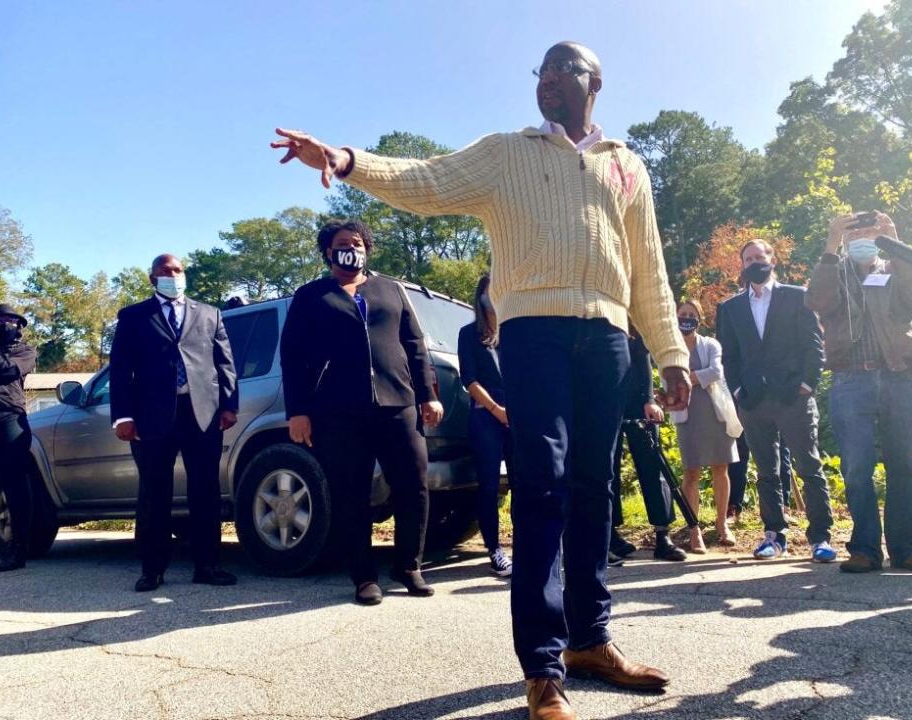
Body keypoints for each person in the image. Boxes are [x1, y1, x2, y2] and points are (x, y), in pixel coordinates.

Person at [271, 40, 690, 720]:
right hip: (535, 337)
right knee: (543, 487)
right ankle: (544, 669)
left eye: (563, 70)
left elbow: (650, 268)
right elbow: (426, 179)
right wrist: (346, 160)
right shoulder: (507, 153)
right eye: (541, 72)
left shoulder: (626, 166)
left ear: (596, 82)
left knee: (594, 490)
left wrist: (670, 353)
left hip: (608, 340)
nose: (548, 81)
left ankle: (591, 640)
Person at [280, 220, 445, 606]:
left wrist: (427, 395)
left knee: (413, 484)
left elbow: (415, 345)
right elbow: (293, 357)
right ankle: (363, 576)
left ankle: (408, 566)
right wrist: (298, 411)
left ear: (367, 249)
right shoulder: (310, 296)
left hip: (398, 403)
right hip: (338, 410)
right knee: (350, 493)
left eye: (356, 243)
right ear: (327, 252)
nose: (350, 248)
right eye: (341, 244)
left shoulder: (390, 289)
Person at [806, 212, 912, 573]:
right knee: (856, 467)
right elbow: (816, 300)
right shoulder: (834, 270)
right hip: (851, 380)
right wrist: (831, 246)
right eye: (855, 231)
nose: (864, 236)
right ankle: (864, 548)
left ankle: (906, 547)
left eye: (871, 230)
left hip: (899, 377)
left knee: (904, 465)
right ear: (846, 238)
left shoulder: (895, 266)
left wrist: (894, 239)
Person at [109, 254, 239, 592]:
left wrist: (229, 404)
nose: (173, 275)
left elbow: (225, 363)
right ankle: (152, 569)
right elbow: (121, 369)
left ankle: (207, 565)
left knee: (205, 490)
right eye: (165, 271)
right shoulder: (134, 316)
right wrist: (123, 416)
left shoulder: (210, 313)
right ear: (152, 278)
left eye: (178, 270)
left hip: (203, 414)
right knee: (154, 492)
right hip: (152, 416)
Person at [716, 240, 837, 563]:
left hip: (793, 398)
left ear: (773, 259)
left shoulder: (798, 296)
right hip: (754, 401)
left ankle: (820, 538)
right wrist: (739, 392)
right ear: (742, 265)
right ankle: (774, 535)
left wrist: (808, 385)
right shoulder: (730, 308)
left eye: (761, 256)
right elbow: (729, 356)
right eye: (749, 258)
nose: (756, 262)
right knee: (766, 471)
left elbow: (815, 346)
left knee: (809, 467)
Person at [608, 328, 687, 564]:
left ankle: (663, 535)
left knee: (652, 466)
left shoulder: (633, 324)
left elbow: (644, 362)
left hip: (638, 402)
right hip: (605, 402)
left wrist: (649, 400)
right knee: (607, 470)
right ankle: (610, 535)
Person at [669, 300, 738, 553]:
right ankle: (694, 529)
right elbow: (667, 374)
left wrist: (685, 378)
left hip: (714, 413)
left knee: (721, 468)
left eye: (691, 315)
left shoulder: (710, 344)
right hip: (687, 416)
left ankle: (722, 525)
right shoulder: (670, 347)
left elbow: (716, 371)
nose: (686, 318)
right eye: (682, 314)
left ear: (699, 318)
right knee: (691, 473)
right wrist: (695, 377)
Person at [458, 274, 513, 577]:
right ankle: (494, 549)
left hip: (517, 416)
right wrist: (497, 410)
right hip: (486, 415)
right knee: (489, 485)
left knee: (524, 482)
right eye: (488, 291)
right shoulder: (468, 334)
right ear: (480, 296)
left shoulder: (512, 334)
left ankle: (527, 546)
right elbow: (469, 380)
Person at [0, 304, 36, 572]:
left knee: (14, 486)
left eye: (11, 321)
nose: (6, 324)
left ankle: (18, 550)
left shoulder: (24, 351)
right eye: (0, 320)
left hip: (9, 420)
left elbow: (5, 372)